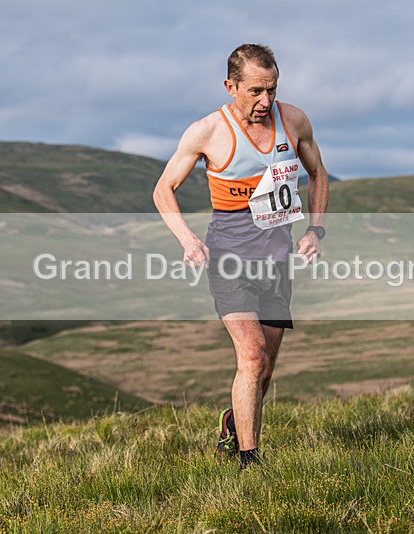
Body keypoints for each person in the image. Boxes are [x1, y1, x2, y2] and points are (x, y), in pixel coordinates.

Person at [153, 43, 329, 469]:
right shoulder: (207, 131)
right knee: (251, 356)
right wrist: (188, 240)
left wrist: (315, 230)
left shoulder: (295, 120)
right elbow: (163, 190)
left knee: (264, 369)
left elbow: (318, 173)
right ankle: (249, 460)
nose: (265, 101)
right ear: (231, 86)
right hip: (230, 260)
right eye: (254, 91)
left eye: (271, 90)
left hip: (278, 258)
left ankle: (234, 421)